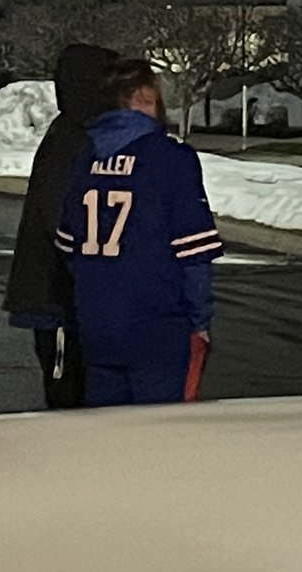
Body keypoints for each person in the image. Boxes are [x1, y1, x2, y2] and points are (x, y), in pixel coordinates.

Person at [55, 58, 221, 407]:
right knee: (160, 440)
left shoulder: (85, 156)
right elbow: (194, 255)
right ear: (145, 97)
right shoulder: (171, 159)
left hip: (96, 325)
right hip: (157, 326)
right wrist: (199, 320)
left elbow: (68, 247)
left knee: (106, 436)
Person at [4, 43, 120, 409]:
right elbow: (63, 220)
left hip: (71, 297)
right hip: (56, 298)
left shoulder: (77, 134)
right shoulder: (69, 141)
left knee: (80, 395)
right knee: (66, 395)